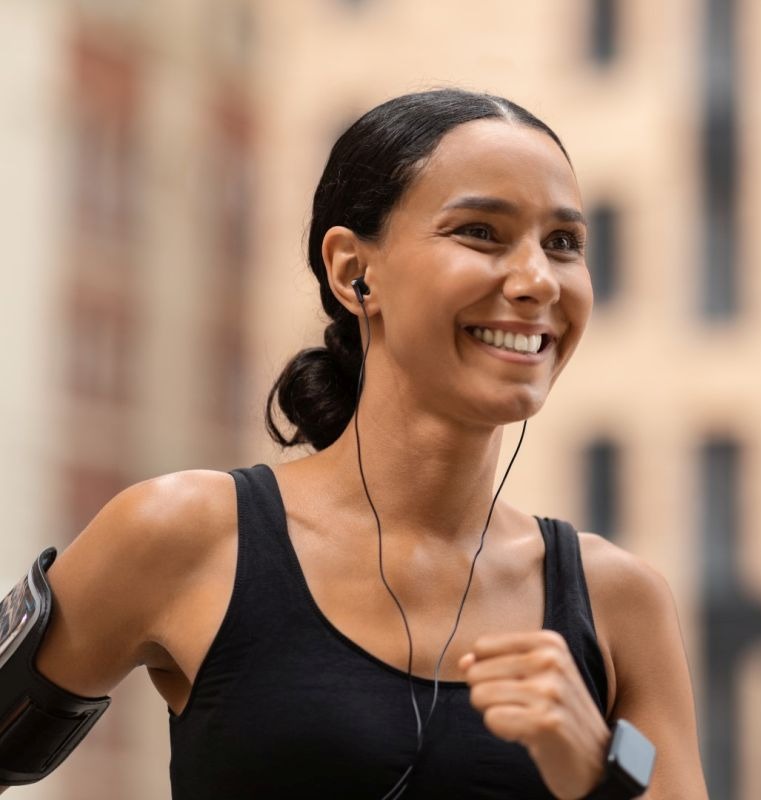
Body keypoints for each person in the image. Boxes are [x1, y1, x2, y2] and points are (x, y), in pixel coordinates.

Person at [0, 89, 707, 798]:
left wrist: (599, 772)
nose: (536, 281)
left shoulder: (618, 602)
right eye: (481, 233)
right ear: (351, 271)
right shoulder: (184, 534)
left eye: (563, 244)